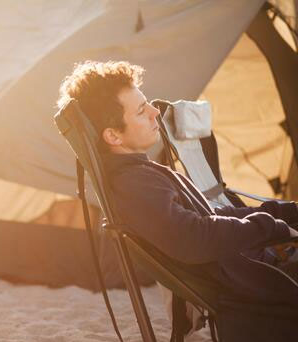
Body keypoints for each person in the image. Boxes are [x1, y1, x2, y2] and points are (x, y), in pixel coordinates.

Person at [57, 60, 298, 306]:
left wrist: (282, 212)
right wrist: (271, 228)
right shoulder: (134, 185)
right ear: (113, 135)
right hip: (266, 282)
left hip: (263, 266)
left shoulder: (141, 173)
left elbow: (212, 215)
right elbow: (193, 238)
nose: (155, 112)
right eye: (141, 111)